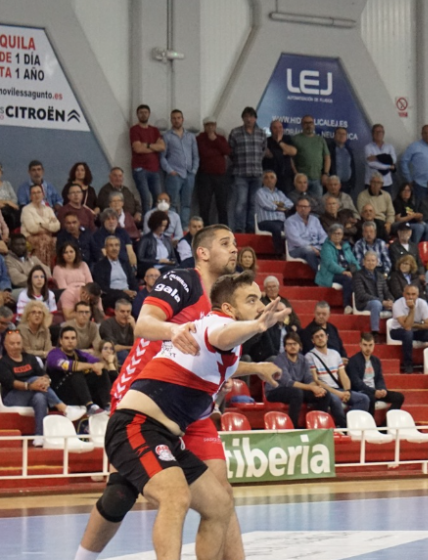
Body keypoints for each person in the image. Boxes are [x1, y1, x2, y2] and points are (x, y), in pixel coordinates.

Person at [75, 226, 254, 560]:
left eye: (236, 243)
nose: (235, 249)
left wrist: (246, 371)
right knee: (122, 492)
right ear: (202, 252)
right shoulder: (183, 279)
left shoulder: (222, 303)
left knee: (219, 497)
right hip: (145, 391)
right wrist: (174, 330)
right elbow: (144, 324)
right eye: (226, 243)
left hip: (187, 403)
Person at [101, 270, 287, 560]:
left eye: (261, 300)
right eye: (251, 300)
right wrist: (258, 325)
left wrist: (258, 366)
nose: (261, 306)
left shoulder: (222, 342)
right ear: (228, 308)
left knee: (219, 504)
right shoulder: (216, 325)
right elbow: (223, 335)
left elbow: (219, 357)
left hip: (166, 435)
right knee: (175, 497)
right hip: (135, 426)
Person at [0, 331, 80, 447]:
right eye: (12, 344)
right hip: (12, 396)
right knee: (34, 379)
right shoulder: (3, 363)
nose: (16, 346)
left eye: (18, 343)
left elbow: (43, 374)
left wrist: (47, 380)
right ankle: (63, 407)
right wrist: (30, 385)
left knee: (40, 397)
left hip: (34, 392)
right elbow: (10, 383)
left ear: (22, 344)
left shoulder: (31, 359)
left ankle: (39, 436)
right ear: (6, 345)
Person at [306, 326, 369, 428]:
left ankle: (350, 425)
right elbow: (316, 381)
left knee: (364, 399)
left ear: (327, 337)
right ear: (313, 340)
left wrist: (347, 390)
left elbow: (343, 374)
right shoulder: (310, 356)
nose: (320, 338)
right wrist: (338, 393)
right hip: (325, 390)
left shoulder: (335, 354)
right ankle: (344, 427)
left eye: (322, 336)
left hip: (338, 388)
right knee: (335, 400)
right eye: (317, 337)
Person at [265, 331, 330, 426]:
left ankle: (319, 425)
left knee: (324, 394)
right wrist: (312, 388)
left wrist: (316, 389)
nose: (292, 346)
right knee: (296, 393)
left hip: (294, 390)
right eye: (289, 344)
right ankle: (293, 427)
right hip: (275, 390)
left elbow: (309, 379)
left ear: (299, 346)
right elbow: (288, 382)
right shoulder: (280, 360)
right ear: (285, 347)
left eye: (295, 344)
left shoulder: (303, 359)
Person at [46, 327, 111, 413]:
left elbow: (100, 363)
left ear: (76, 341)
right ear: (60, 341)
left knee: (103, 373)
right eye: (66, 338)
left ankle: (108, 405)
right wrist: (92, 366)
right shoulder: (54, 354)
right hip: (60, 392)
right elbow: (69, 366)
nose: (70, 341)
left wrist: (99, 366)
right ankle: (89, 406)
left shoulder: (80, 353)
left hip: (78, 390)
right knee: (76, 372)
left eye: (73, 338)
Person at [228, 106, 269, 232]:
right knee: (241, 203)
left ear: (255, 119)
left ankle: (251, 229)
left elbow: (263, 151)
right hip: (241, 173)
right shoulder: (235, 132)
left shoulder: (262, 133)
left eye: (251, 117)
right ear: (242, 118)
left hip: (257, 174)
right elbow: (230, 152)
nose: (248, 119)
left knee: (253, 204)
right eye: (246, 116)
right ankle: (240, 229)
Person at [390, 285, 428, 373]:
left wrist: (413, 325)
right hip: (397, 331)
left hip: (414, 330)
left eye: (413, 294)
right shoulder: (397, 304)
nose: (410, 297)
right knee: (408, 334)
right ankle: (408, 364)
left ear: (417, 295)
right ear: (403, 294)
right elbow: (406, 327)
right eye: (408, 294)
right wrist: (412, 309)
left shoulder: (422, 303)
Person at [159, 109, 198, 226]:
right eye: (174, 118)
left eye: (178, 118)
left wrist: (194, 171)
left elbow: (196, 155)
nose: (176, 120)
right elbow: (162, 157)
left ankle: (184, 226)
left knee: (186, 203)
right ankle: (173, 227)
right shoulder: (167, 137)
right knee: (173, 203)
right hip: (174, 175)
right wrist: (170, 171)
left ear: (182, 119)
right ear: (171, 120)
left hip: (189, 174)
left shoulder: (191, 137)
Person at [196, 116, 231, 225]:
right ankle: (205, 229)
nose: (210, 127)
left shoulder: (220, 138)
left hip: (220, 176)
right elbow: (202, 153)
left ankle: (224, 228)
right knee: (204, 205)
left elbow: (227, 151)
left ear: (215, 126)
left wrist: (215, 140)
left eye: (212, 125)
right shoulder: (199, 138)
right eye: (208, 125)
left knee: (222, 204)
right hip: (205, 176)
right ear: (204, 126)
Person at [316, 224, 359, 308]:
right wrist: (343, 271)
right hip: (330, 274)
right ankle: (346, 305)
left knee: (361, 278)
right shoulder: (326, 247)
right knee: (347, 279)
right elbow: (330, 264)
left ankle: (358, 305)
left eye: (339, 233)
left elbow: (354, 261)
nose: (337, 236)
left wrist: (361, 272)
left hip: (347, 271)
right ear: (330, 235)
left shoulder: (346, 246)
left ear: (342, 235)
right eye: (334, 233)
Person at [399, 124, 428, 201]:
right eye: (425, 133)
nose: (427, 135)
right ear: (421, 134)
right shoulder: (414, 146)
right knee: (421, 209)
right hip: (420, 185)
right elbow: (403, 161)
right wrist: (409, 179)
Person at [255, 170, 293, 256]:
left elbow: (290, 204)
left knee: (293, 227)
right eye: (266, 177)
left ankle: (291, 253)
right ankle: (278, 253)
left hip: (281, 221)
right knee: (276, 228)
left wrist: (277, 205)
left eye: (271, 177)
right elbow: (266, 205)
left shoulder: (280, 193)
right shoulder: (260, 192)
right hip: (266, 221)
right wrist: (280, 207)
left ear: (275, 180)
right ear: (263, 181)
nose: (269, 179)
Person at [92, 237, 138, 307]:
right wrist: (123, 292)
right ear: (106, 248)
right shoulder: (99, 265)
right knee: (124, 298)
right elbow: (102, 287)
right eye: (111, 245)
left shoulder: (125, 263)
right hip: (111, 296)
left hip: (128, 294)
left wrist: (134, 292)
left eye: (116, 245)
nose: (114, 248)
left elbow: (133, 281)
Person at [284, 197, 327, 271]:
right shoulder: (290, 221)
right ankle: (319, 274)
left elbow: (323, 235)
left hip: (316, 247)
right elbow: (295, 240)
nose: (303, 209)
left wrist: (323, 247)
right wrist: (311, 247)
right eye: (300, 206)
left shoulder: (315, 220)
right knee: (308, 250)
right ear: (296, 208)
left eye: (305, 207)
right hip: (296, 249)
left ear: (309, 208)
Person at [21, 183, 60, 266]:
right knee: (43, 241)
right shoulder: (26, 209)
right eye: (33, 193)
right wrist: (49, 225)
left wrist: (41, 224)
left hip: (47, 238)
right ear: (30, 196)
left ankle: (51, 270)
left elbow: (57, 226)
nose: (36, 195)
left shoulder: (49, 209)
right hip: (30, 238)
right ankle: (41, 269)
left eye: (39, 192)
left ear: (43, 194)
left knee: (55, 240)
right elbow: (32, 228)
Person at [357, 173, 396, 238]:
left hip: (384, 222)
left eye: (378, 183)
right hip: (369, 221)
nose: (375, 185)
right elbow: (362, 212)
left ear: (382, 184)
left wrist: (389, 223)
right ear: (370, 183)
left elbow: (391, 213)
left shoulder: (386, 195)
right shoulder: (362, 195)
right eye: (373, 182)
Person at [364, 123, 397, 193]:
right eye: (376, 132)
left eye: (381, 132)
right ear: (372, 134)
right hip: (371, 183)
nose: (379, 133)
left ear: (383, 133)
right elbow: (372, 164)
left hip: (386, 183)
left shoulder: (389, 147)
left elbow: (393, 160)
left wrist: (377, 157)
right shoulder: (368, 147)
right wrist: (389, 166)